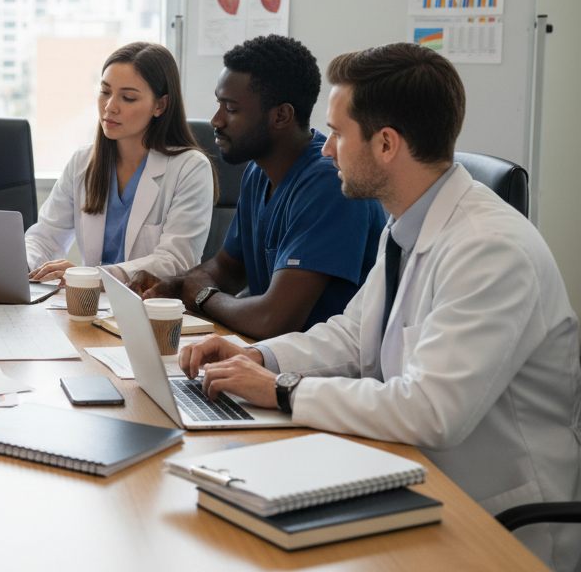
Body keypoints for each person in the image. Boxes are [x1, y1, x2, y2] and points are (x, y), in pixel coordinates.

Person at [180, 43, 581, 571]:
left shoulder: (490, 249)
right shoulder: (406, 224)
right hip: (407, 479)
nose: (326, 151)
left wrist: (282, 390)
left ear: (387, 144)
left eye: (339, 134)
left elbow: (431, 411)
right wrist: (260, 359)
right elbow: (352, 334)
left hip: (493, 523)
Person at [131, 35, 385, 340]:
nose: (216, 120)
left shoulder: (330, 183)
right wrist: (172, 285)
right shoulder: (258, 171)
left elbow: (273, 320)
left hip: (323, 374)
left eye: (231, 108)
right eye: (218, 104)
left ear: (281, 116)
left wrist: (202, 297)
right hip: (269, 357)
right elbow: (227, 269)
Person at [25, 42, 215, 285]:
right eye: (105, 91)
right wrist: (24, 262)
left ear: (160, 105)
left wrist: (93, 277)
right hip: (89, 307)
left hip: (150, 310)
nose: (109, 106)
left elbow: (175, 261)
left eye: (127, 97)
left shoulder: (190, 168)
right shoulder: (83, 162)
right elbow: (45, 238)